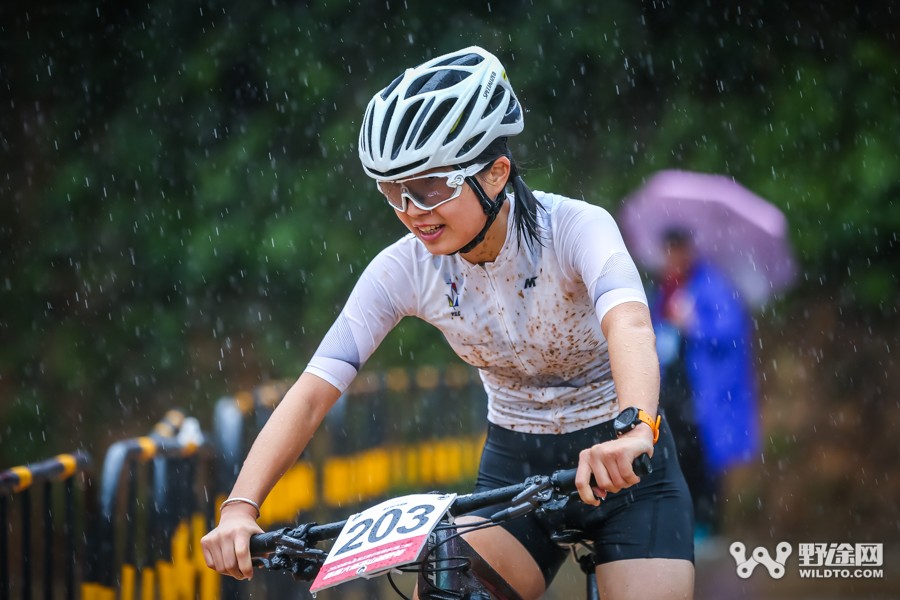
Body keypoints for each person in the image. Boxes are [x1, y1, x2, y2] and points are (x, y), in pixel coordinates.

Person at [201, 46, 694, 599]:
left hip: (626, 467)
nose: (413, 210)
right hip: (516, 476)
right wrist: (240, 508)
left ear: (497, 172)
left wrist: (633, 431)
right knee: (446, 592)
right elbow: (313, 391)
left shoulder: (577, 229)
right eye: (394, 192)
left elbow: (628, 325)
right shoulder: (403, 269)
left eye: (432, 187)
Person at [651, 228, 759, 541]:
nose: (672, 258)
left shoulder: (712, 284)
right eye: (668, 252)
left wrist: (694, 325)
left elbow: (730, 331)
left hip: (705, 388)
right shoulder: (666, 288)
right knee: (677, 451)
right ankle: (683, 520)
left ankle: (707, 522)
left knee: (704, 454)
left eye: (677, 250)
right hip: (674, 386)